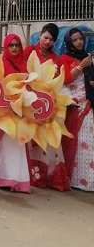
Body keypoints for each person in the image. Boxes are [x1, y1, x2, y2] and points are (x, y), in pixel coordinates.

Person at [24, 23, 69, 191]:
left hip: (47, 105)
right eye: (45, 37)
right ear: (40, 36)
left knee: (49, 140)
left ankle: (49, 176)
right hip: (29, 101)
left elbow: (59, 81)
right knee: (30, 139)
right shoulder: (29, 51)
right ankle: (31, 174)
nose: (47, 42)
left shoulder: (56, 59)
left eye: (51, 39)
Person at [0, 33, 31, 193]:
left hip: (21, 110)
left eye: (17, 45)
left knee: (19, 145)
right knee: (5, 145)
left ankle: (20, 180)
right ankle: (5, 179)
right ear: (6, 47)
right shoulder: (0, 62)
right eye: (11, 45)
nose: (15, 48)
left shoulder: (25, 62)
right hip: (4, 110)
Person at [59, 28, 94, 191]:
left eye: (80, 39)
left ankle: (89, 179)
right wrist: (81, 66)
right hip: (73, 105)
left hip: (88, 104)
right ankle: (75, 179)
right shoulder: (64, 58)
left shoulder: (89, 57)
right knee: (76, 142)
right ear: (69, 42)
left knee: (89, 141)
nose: (79, 42)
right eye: (74, 40)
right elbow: (65, 79)